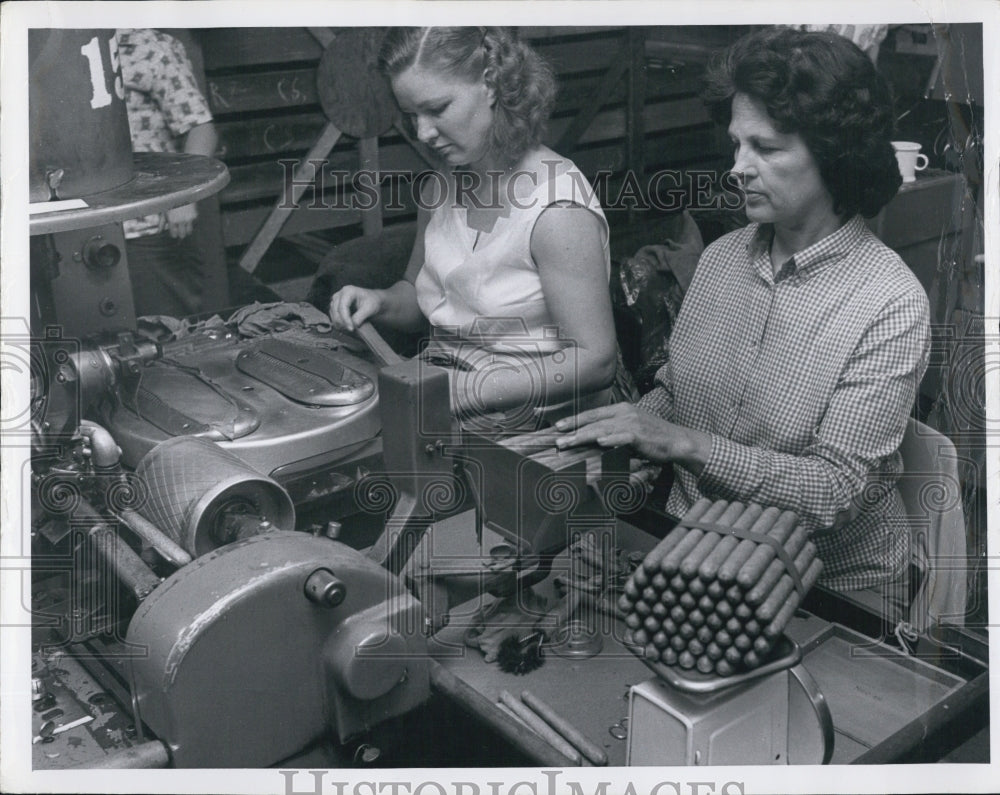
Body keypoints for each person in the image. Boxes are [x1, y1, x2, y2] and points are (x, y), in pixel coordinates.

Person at [555, 28, 930, 622]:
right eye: (735, 144)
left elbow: (833, 492)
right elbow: (679, 392)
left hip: (827, 590)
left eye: (767, 148)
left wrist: (687, 446)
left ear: (836, 153)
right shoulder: (723, 257)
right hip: (698, 548)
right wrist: (622, 434)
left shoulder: (887, 302)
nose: (738, 167)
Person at [328, 27, 629, 427]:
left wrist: (468, 390)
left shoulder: (556, 209)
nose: (423, 133)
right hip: (451, 392)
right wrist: (380, 301)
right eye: (411, 116)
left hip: (543, 419)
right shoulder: (441, 186)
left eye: (437, 109)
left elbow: (595, 361)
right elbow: (421, 299)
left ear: (490, 83)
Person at [117, 28, 219, 318]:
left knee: (165, 338)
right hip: (83, 232)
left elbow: (202, 129)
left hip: (149, 227)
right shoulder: (55, 54)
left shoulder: (148, 45)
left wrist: (182, 198)